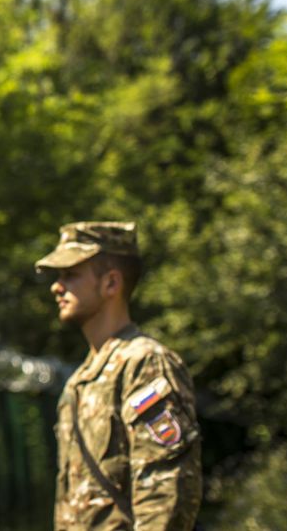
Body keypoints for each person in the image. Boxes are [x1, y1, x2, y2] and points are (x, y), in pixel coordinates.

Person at [35, 222, 202, 530]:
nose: (56, 286)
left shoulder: (145, 364)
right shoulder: (80, 379)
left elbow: (166, 491)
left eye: (70, 274)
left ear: (111, 283)